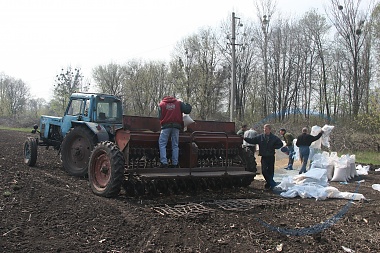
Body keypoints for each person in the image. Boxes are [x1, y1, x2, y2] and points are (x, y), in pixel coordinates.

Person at [244, 124, 283, 190]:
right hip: (264, 156)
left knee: (271, 171)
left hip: (271, 156)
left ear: (269, 130)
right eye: (264, 129)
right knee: (264, 171)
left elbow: (280, 144)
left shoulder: (274, 138)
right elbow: (252, 140)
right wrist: (244, 138)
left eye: (266, 129)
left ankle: (269, 184)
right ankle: (272, 183)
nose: (265, 130)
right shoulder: (260, 137)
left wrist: (274, 147)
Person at [158, 96, 192, 168]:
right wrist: (188, 104)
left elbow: (159, 117)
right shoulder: (178, 103)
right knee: (175, 145)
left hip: (165, 127)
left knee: (162, 144)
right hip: (176, 127)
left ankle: (164, 163)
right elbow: (187, 110)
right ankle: (175, 163)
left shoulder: (161, 104)